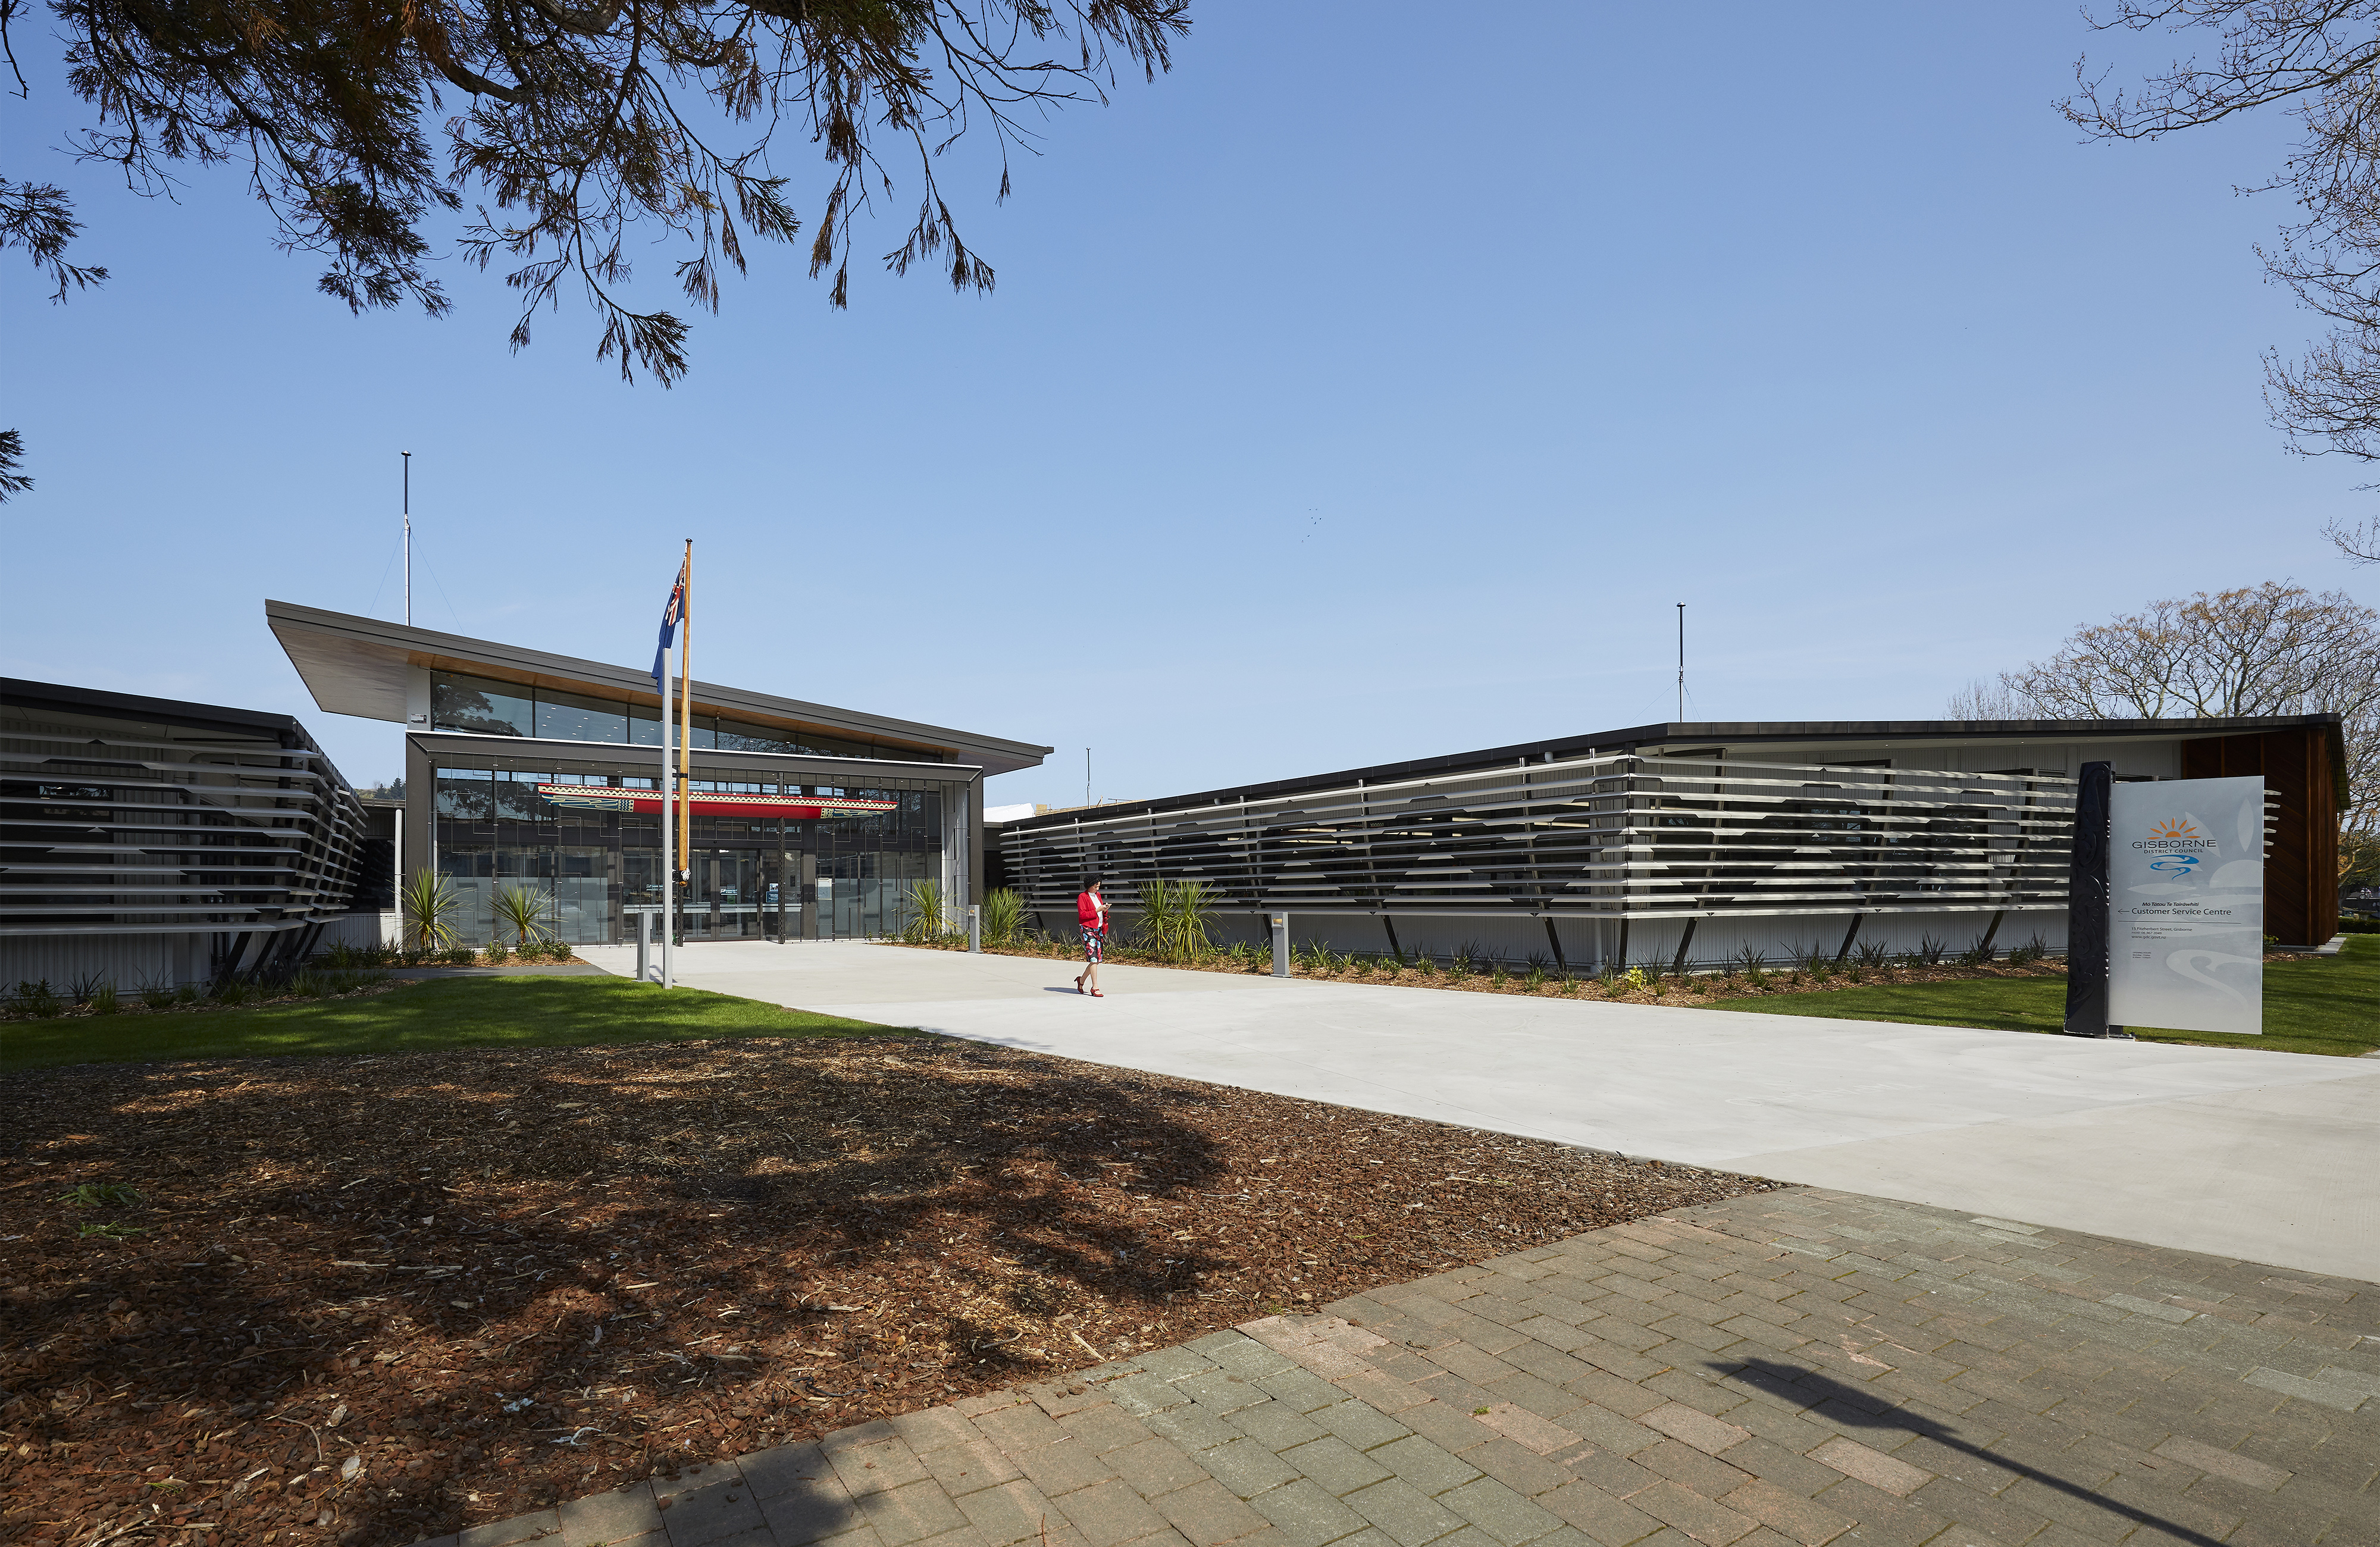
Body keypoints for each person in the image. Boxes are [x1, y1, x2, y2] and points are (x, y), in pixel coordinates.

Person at [1074, 877, 1108, 997]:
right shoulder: (1082, 897)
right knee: (1094, 959)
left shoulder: (1098, 895)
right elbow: (1083, 915)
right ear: (1089, 885)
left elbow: (1101, 912)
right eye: (1095, 886)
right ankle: (1095, 987)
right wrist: (1098, 910)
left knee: (1097, 959)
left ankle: (1081, 980)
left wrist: (1104, 910)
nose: (1097, 888)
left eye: (1099, 886)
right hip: (1087, 929)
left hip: (1098, 928)